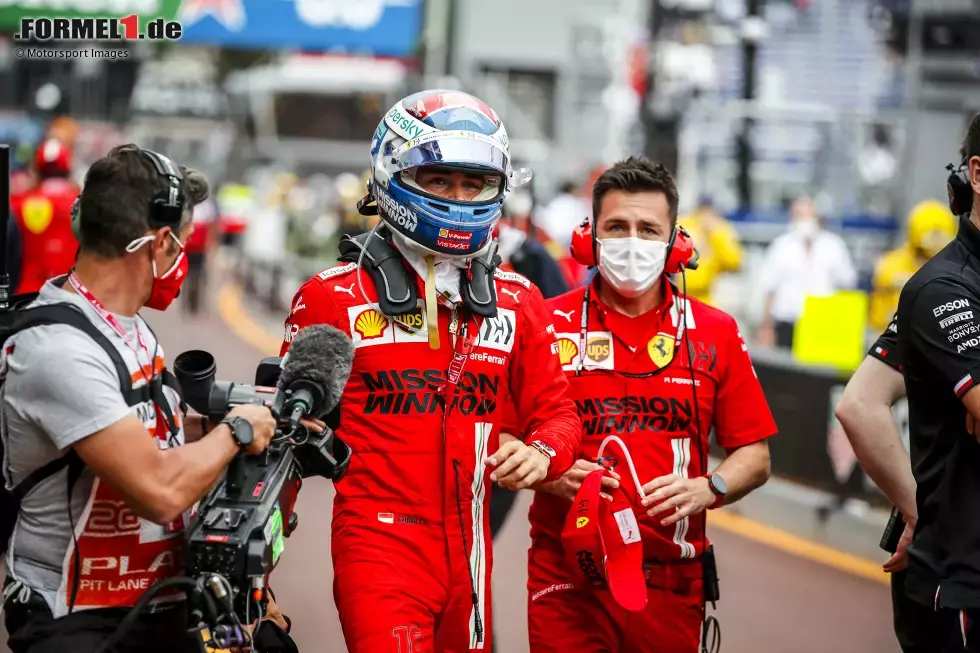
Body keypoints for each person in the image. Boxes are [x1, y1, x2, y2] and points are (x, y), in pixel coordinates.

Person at [280, 90, 581, 653]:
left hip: (472, 552)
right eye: (440, 181)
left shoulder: (519, 300)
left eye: (474, 184)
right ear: (392, 174)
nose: (460, 197)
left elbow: (559, 414)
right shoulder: (331, 298)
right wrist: (258, 577)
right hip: (378, 548)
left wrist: (541, 452)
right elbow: (282, 444)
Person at [0, 145, 285, 653]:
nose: (181, 256)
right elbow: (158, 488)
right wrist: (237, 430)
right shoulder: (59, 350)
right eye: (181, 243)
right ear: (157, 243)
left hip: (157, 603)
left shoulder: (127, 326)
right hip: (78, 620)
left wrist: (268, 423)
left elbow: (159, 434)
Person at [521, 156, 776, 653]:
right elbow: (500, 437)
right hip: (567, 580)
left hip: (673, 584)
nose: (631, 241)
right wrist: (550, 474)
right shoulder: (542, 322)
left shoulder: (716, 331)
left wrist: (711, 486)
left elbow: (756, 455)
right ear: (588, 238)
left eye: (647, 228)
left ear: (675, 242)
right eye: (616, 227)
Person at [896, 113, 980, 650]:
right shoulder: (942, 288)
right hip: (961, 588)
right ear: (978, 173)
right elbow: (857, 405)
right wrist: (911, 505)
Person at [835, 313, 954, 653]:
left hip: (934, 523)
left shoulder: (934, 289)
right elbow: (857, 406)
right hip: (946, 531)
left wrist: (918, 512)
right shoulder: (939, 294)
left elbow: (858, 404)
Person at [757, 196, 857, 349]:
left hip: (822, 323)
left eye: (808, 215)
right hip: (787, 323)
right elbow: (769, 287)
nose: (805, 221)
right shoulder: (781, 246)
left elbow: (847, 283)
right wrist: (766, 326)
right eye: (800, 215)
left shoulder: (834, 246)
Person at [869, 200, 956, 333]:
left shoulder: (955, 263)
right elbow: (885, 276)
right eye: (933, 233)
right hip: (888, 334)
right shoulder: (894, 261)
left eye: (941, 233)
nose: (937, 239)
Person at [10, 139, 81, 295]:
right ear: (69, 168)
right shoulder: (84, 205)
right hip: (71, 295)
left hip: (26, 295)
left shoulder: (18, 203)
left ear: (37, 169)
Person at [676, 194, 743, 306]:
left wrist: (716, 234)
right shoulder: (685, 224)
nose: (705, 215)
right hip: (679, 293)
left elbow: (734, 262)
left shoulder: (720, 228)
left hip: (706, 295)